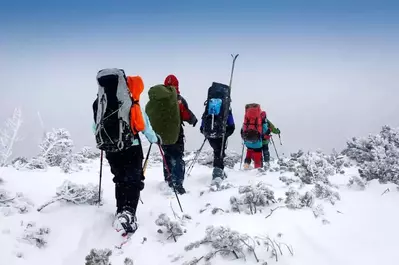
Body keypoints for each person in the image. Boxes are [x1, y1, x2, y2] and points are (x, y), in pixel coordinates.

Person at [93, 73, 159, 234]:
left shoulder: (99, 103)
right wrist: (155, 139)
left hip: (110, 148)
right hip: (131, 147)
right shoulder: (130, 102)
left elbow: (95, 127)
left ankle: (120, 210)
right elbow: (143, 126)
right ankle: (128, 214)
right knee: (134, 180)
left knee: (120, 179)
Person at [162, 74, 197, 194]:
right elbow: (186, 115)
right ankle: (178, 184)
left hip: (162, 134)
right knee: (177, 157)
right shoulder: (179, 99)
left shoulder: (160, 99)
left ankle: (168, 179)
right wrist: (193, 120)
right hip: (176, 133)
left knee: (166, 155)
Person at [200, 108, 235, 180]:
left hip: (210, 133)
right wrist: (226, 134)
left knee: (217, 151)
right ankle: (217, 174)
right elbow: (231, 125)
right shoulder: (226, 108)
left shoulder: (209, 107)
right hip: (221, 134)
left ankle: (218, 172)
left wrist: (205, 132)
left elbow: (202, 126)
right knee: (219, 152)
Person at [241, 104, 268, 170]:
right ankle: (257, 170)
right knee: (257, 156)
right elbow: (265, 130)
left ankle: (246, 166)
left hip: (247, 140)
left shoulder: (247, 117)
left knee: (249, 152)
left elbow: (243, 129)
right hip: (257, 142)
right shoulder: (260, 117)